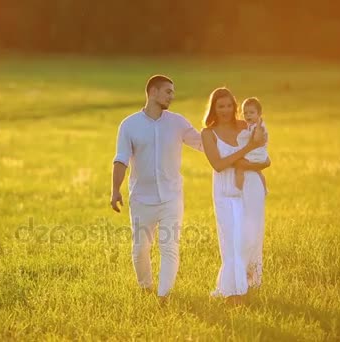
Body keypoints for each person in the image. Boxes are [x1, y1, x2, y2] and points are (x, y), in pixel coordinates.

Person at [110, 75, 203, 299]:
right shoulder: (129, 125)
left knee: (169, 247)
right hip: (141, 199)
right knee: (140, 249)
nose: (172, 96)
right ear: (153, 92)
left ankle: (164, 296)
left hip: (172, 197)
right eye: (168, 92)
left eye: (172, 92)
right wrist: (115, 190)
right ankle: (145, 287)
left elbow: (202, 143)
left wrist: (235, 140)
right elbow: (121, 159)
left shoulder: (178, 122)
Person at [200, 87, 270, 304]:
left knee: (250, 237)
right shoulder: (208, 133)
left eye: (229, 105)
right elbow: (219, 165)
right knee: (231, 239)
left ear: (235, 106)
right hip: (225, 189)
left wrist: (244, 162)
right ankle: (233, 292)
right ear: (213, 108)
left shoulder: (245, 125)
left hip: (251, 186)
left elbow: (266, 160)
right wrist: (247, 150)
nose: (226, 110)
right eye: (220, 106)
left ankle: (247, 283)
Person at [235, 97, 268, 192]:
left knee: (239, 168)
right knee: (258, 171)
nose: (248, 115)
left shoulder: (259, 126)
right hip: (260, 154)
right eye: (245, 113)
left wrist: (257, 129)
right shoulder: (252, 125)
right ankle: (264, 188)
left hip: (256, 154)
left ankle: (238, 190)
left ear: (259, 114)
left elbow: (257, 140)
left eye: (252, 113)